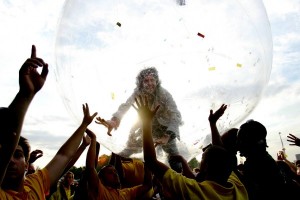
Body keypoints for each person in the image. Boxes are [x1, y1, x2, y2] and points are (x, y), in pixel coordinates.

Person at [134, 95, 248, 199]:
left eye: (202, 158)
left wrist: (146, 121)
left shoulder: (197, 192)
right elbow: (221, 155)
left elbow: (151, 161)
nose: (199, 162)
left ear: (206, 166)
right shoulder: (238, 187)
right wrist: (212, 123)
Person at [96, 67, 183, 172]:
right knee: (126, 151)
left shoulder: (164, 94)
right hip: (146, 126)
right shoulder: (138, 92)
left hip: (165, 129)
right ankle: (110, 175)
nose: (149, 83)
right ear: (141, 83)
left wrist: (167, 136)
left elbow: (176, 115)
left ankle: (182, 180)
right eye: (146, 81)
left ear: (157, 81)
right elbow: (126, 105)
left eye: (152, 80)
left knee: (174, 159)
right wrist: (115, 120)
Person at [0, 44, 48, 188]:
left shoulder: (34, 187)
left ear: (27, 164)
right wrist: (26, 95)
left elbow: (64, 156)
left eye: (18, 155)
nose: (10, 160)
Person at [84, 127, 153, 199]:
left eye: (115, 172)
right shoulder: (100, 191)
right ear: (101, 179)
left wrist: (149, 159)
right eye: (110, 172)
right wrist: (94, 139)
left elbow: (148, 185)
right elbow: (90, 167)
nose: (115, 174)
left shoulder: (125, 193)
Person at [236, 119, 286, 200]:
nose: (237, 144)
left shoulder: (257, 164)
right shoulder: (263, 160)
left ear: (252, 142)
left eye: (241, 140)